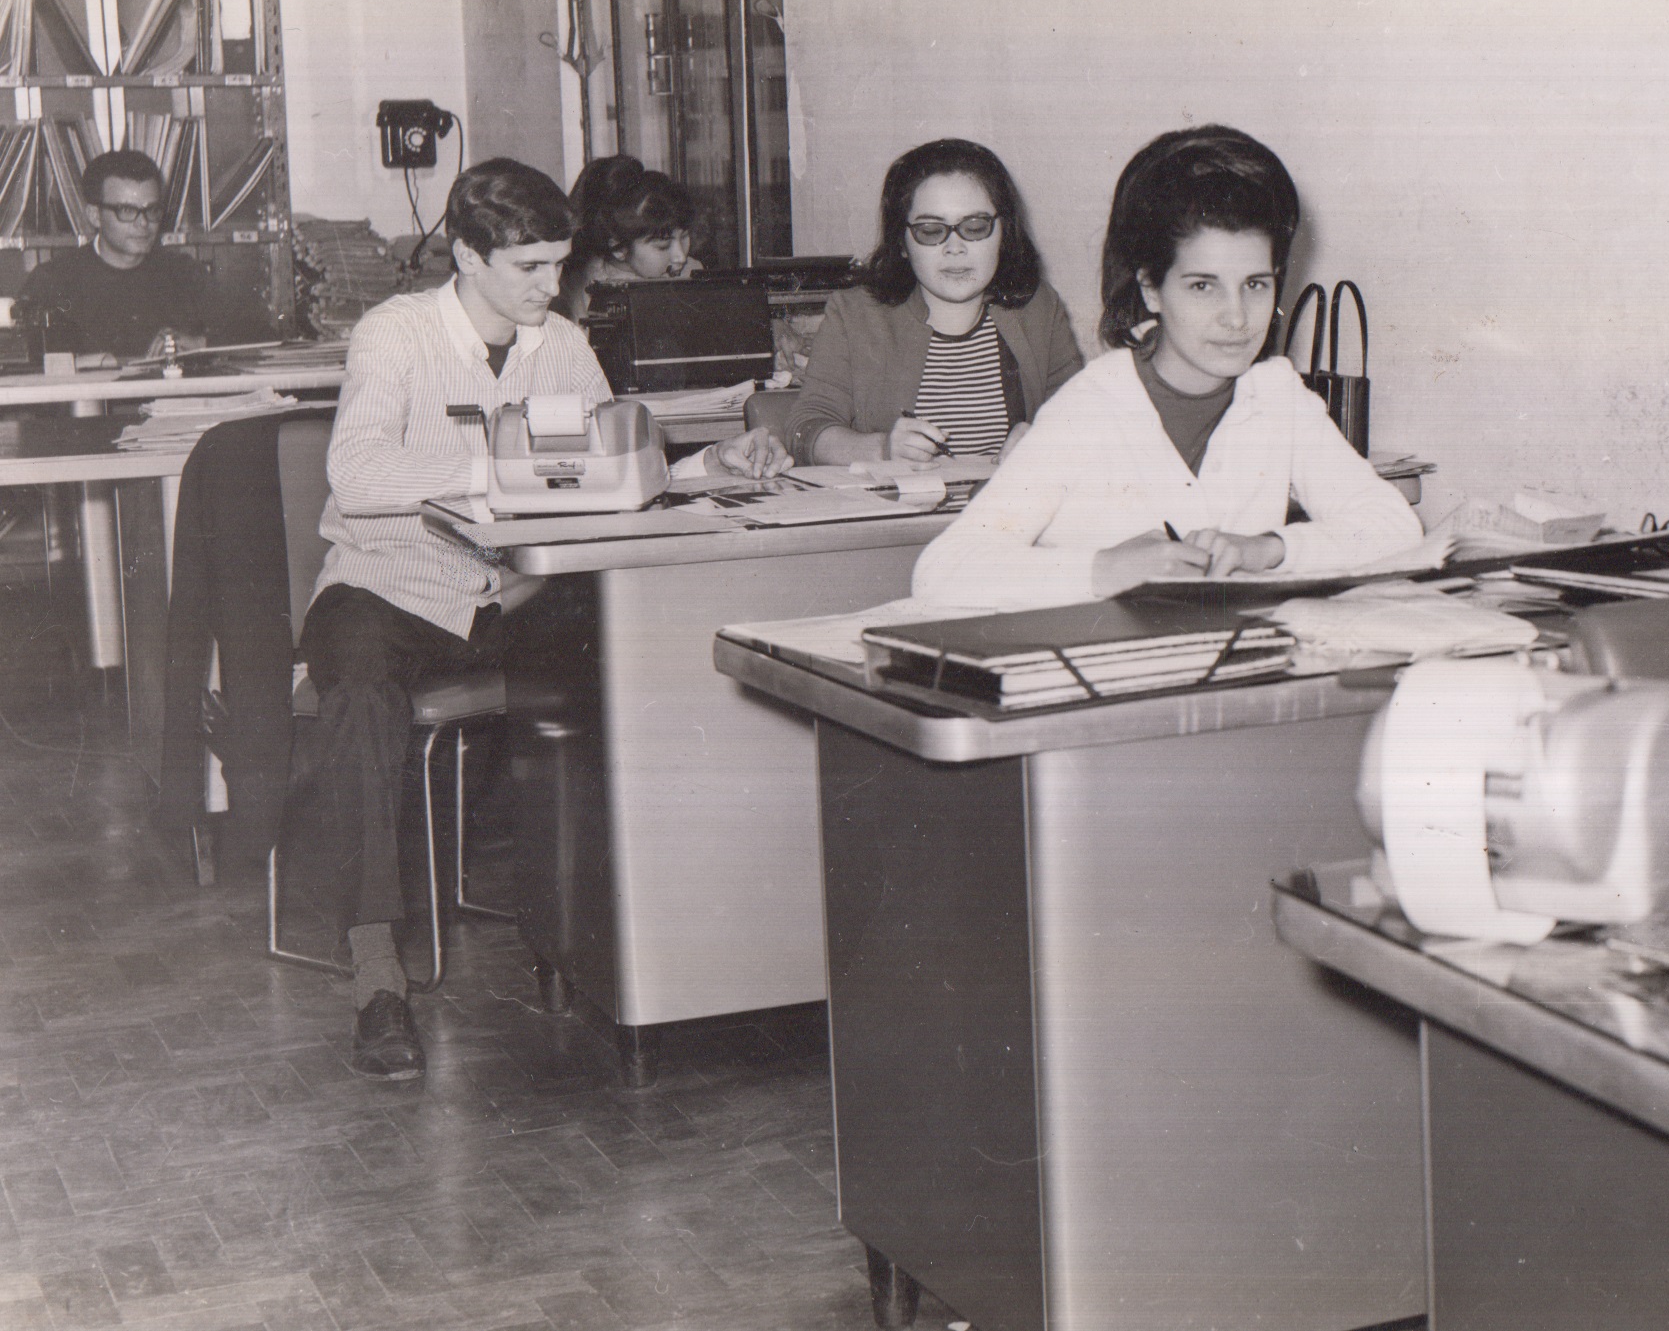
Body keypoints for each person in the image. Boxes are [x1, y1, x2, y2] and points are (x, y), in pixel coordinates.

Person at [296, 158, 788, 1080]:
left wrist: (715, 463)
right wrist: (495, 471)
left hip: (508, 597)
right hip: (384, 588)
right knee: (361, 696)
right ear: (469, 254)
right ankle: (375, 979)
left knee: (646, 656)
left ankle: (624, 939)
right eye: (527, 266)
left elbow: (616, 472)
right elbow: (356, 480)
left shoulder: (558, 342)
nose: (550, 286)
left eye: (559, 264)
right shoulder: (393, 334)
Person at [909, 125, 1420, 611]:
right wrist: (1104, 570)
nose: (1237, 317)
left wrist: (1267, 549)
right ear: (1150, 288)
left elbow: (1393, 526)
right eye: (1203, 286)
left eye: (1255, 284)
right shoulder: (1090, 410)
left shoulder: (1277, 396)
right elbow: (942, 570)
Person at [785, 138, 1084, 467]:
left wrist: (1051, 439)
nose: (954, 247)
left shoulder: (1039, 309)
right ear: (902, 242)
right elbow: (806, 429)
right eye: (931, 231)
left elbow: (1083, 419)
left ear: (1004, 233)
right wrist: (882, 449)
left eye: (974, 227)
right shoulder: (855, 315)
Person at [16, 149, 271, 358]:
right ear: (94, 215)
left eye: (152, 210)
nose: (143, 224)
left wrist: (201, 343)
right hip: (91, 416)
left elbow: (261, 332)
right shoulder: (54, 280)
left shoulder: (183, 273)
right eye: (127, 211)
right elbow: (31, 359)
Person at [557, 154, 702, 317]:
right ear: (619, 249)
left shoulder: (691, 271)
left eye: (684, 237)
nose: (680, 257)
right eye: (662, 246)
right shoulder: (584, 291)